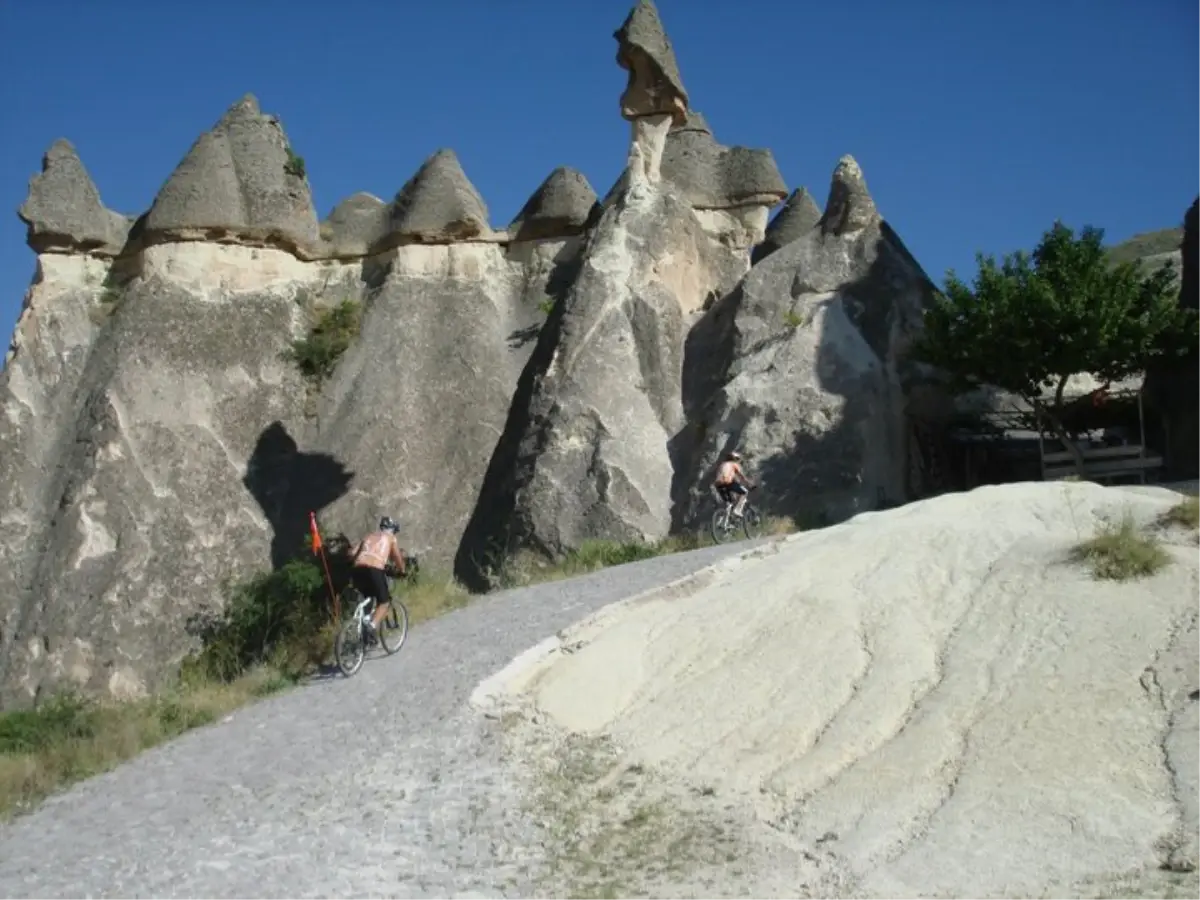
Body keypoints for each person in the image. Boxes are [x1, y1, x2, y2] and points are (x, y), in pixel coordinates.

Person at [349, 516, 406, 638]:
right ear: (392, 529)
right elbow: (397, 557)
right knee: (384, 602)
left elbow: (352, 553)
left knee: (368, 598)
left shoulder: (369, 536)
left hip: (358, 569)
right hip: (374, 569)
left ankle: (364, 629)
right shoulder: (391, 538)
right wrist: (402, 570)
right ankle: (371, 627)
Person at [713, 450, 753, 518]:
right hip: (727, 482)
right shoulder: (733, 464)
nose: (738, 461)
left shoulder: (722, 465)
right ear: (735, 459)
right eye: (738, 459)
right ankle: (737, 510)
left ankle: (723, 524)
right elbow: (741, 476)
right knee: (745, 492)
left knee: (729, 504)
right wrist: (749, 484)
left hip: (718, 484)